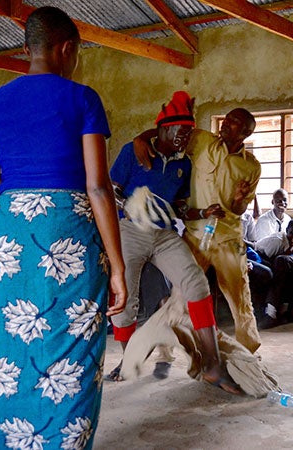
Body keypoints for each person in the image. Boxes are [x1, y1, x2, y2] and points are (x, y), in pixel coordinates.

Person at [0, 7, 127, 449]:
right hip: (68, 231)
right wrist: (117, 267)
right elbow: (97, 187)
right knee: (69, 350)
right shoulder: (82, 98)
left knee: (8, 351)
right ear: (67, 49)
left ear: (27, 50)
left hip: (8, 234)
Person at [106, 91, 239, 394]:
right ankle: (129, 361)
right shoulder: (132, 151)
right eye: (181, 131)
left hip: (165, 233)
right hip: (131, 230)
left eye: (190, 131)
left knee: (197, 284)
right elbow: (110, 188)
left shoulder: (185, 164)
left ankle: (212, 366)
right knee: (125, 300)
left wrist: (203, 212)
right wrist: (127, 203)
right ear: (164, 129)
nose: (186, 137)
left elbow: (179, 207)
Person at [135, 107, 262, 353]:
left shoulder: (252, 167)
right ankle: (166, 351)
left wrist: (238, 198)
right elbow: (170, 134)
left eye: (235, 122)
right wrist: (140, 138)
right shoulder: (202, 140)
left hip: (228, 238)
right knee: (181, 295)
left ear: (245, 133)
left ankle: (249, 353)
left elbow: (238, 210)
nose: (226, 123)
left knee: (240, 299)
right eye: (227, 118)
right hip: (195, 235)